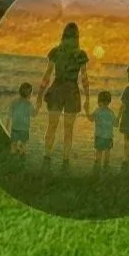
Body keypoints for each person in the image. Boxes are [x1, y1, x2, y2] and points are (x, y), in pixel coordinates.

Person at [37, 22, 89, 169]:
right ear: (77, 37)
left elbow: (47, 75)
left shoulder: (56, 52)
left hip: (58, 89)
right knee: (68, 130)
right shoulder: (80, 55)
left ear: (63, 36)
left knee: (52, 126)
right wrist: (88, 99)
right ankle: (64, 162)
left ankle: (47, 158)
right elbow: (84, 79)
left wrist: (40, 95)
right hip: (71, 91)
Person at [89, 91, 116, 174]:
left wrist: (86, 110)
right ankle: (106, 166)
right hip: (108, 137)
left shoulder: (97, 111)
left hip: (99, 136)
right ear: (109, 102)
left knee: (99, 152)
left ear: (99, 101)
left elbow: (91, 119)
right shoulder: (111, 113)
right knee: (107, 151)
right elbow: (116, 124)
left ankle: (97, 166)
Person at [8, 82, 34, 158]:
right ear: (29, 94)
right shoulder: (29, 104)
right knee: (23, 144)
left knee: (13, 143)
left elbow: (9, 114)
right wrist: (38, 107)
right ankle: (22, 155)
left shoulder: (14, 102)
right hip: (24, 129)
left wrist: (7, 126)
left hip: (15, 127)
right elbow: (33, 114)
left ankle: (12, 154)